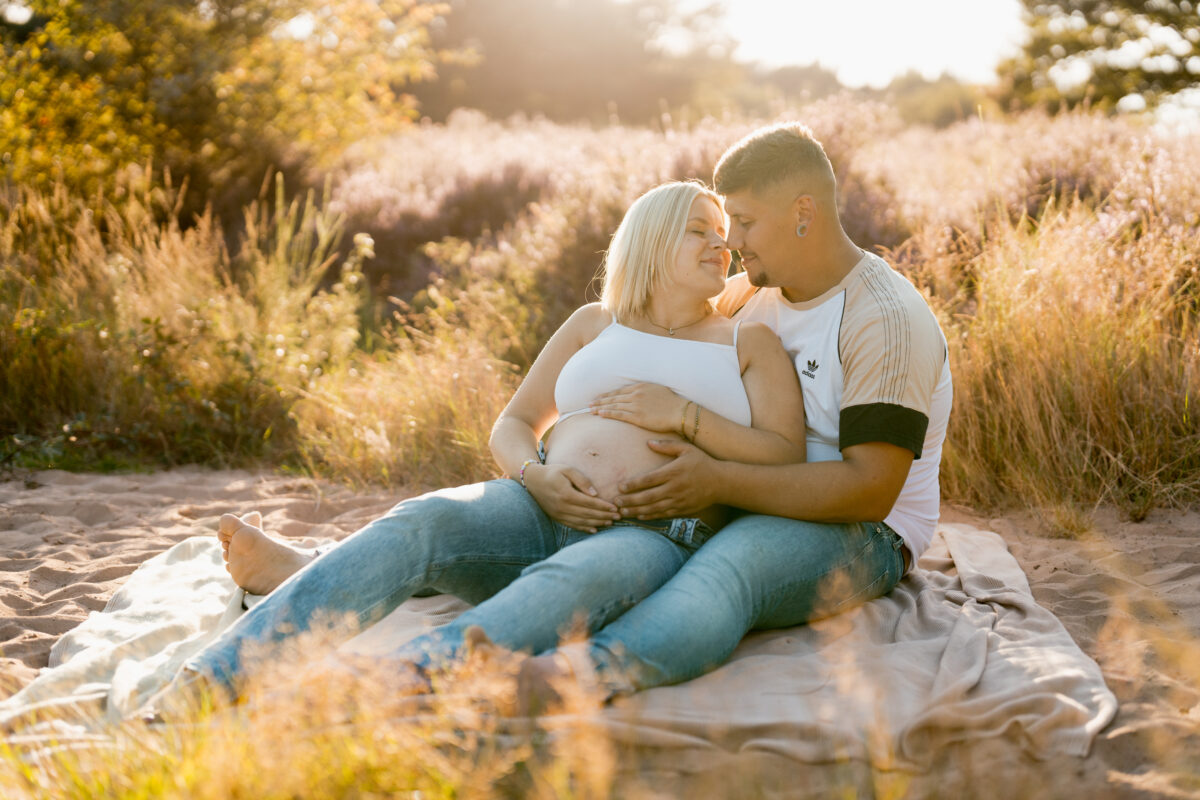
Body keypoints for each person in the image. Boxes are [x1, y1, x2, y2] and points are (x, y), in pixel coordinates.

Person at [163, 180, 807, 704]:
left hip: (647, 534)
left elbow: (785, 455)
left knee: (567, 579)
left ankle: (399, 688)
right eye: (700, 229)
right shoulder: (594, 324)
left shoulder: (746, 342)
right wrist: (538, 478)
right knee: (425, 519)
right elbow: (514, 423)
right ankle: (211, 679)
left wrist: (686, 416)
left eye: (724, 237)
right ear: (651, 236)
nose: (720, 247)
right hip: (533, 509)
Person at [515, 121, 954, 702]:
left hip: (865, 529)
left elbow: (870, 490)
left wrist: (717, 479)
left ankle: (581, 677)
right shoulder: (750, 291)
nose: (732, 243)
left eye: (744, 222)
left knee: (727, 571)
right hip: (745, 492)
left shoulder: (885, 320)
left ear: (803, 213)